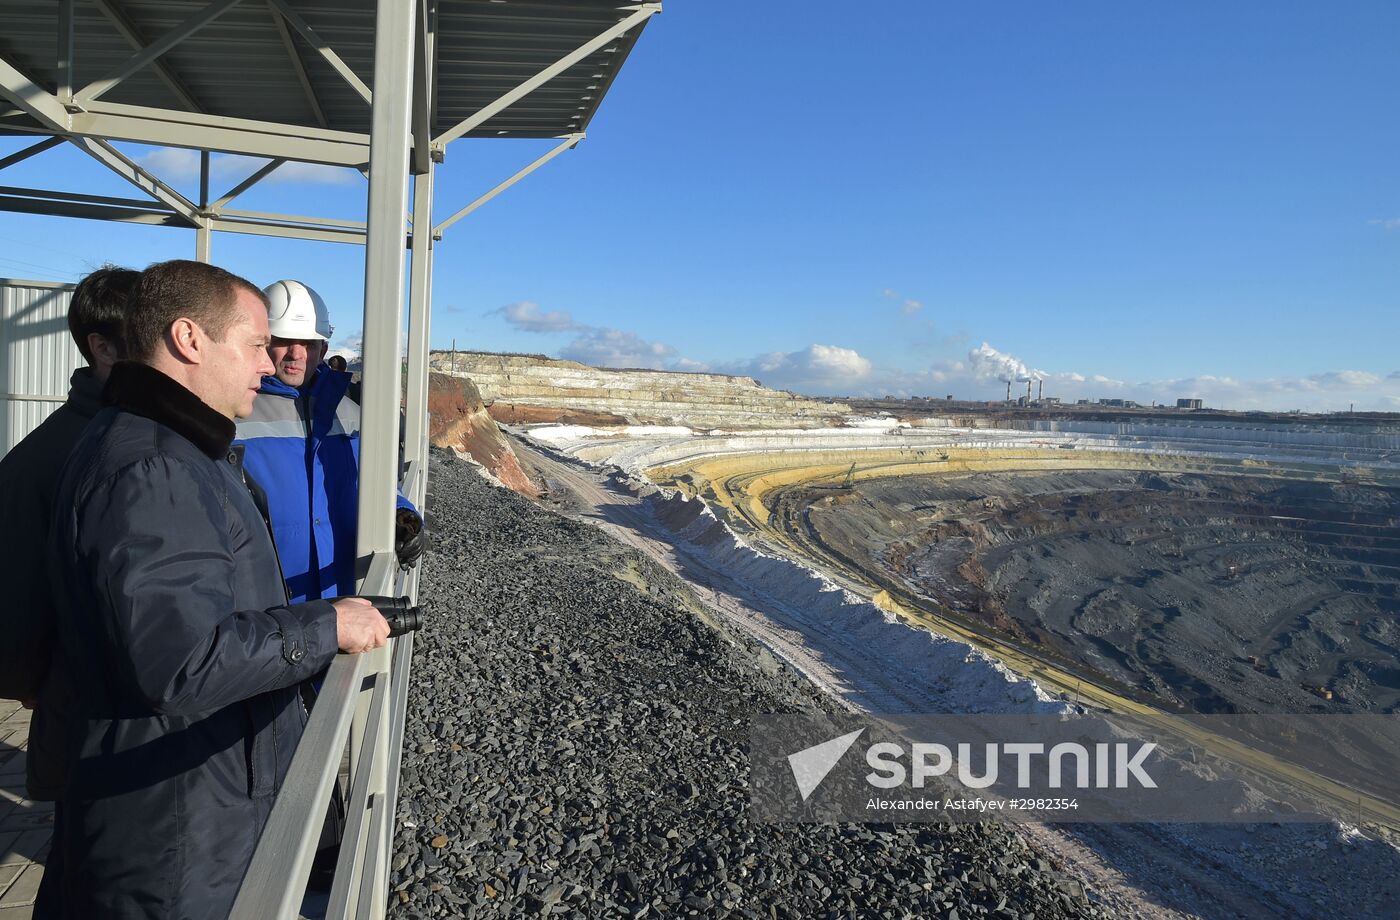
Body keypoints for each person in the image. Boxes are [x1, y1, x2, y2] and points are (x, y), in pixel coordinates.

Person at [38, 260, 391, 919]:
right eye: (257, 343)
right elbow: (179, 664)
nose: (267, 364)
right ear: (189, 339)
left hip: (189, 801)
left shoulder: (167, 447)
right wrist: (324, 626)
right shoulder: (153, 468)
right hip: (175, 826)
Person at [0, 266, 138, 806]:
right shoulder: (48, 461)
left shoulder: (155, 442)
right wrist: (32, 681)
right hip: (85, 717)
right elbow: (15, 594)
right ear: (102, 349)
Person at [235, 279, 423, 605]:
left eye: (307, 343)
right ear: (262, 342)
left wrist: (402, 515)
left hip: (342, 594)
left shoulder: (350, 414)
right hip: (267, 607)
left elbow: (375, 483)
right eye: (283, 340)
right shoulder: (235, 412)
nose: (296, 354)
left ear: (322, 349)